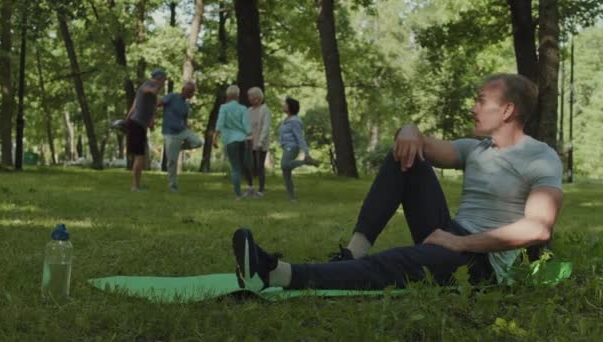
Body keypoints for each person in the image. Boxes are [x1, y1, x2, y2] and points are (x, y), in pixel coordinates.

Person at [231, 73, 564, 292]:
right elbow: (414, 143)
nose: (473, 107)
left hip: (483, 262)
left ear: (507, 110)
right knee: (404, 155)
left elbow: (538, 229)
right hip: (451, 233)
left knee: (399, 263)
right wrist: (408, 129)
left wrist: (460, 243)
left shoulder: (540, 157)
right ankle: (353, 253)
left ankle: (280, 274)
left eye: (480, 100)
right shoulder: (475, 149)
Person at [125, 68, 167, 191]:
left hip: (139, 124)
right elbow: (148, 91)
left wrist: (151, 121)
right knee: (139, 156)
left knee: (140, 155)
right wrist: (155, 87)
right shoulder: (149, 84)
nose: (164, 82)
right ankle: (135, 186)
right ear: (159, 78)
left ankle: (136, 184)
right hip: (137, 123)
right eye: (163, 80)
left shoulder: (153, 94)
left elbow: (139, 105)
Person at [161, 81, 203, 192]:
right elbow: (158, 103)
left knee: (198, 142)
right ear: (184, 90)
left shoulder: (186, 105)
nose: (191, 94)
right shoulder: (172, 97)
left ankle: (178, 148)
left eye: (192, 92)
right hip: (170, 132)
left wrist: (186, 128)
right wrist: (151, 118)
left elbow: (185, 119)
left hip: (182, 130)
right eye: (190, 92)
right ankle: (173, 186)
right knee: (172, 161)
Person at [213, 85, 253, 200]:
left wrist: (215, 138)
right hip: (242, 140)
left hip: (230, 140)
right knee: (242, 165)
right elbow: (246, 125)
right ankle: (249, 187)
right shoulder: (243, 108)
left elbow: (219, 124)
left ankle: (238, 195)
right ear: (238, 95)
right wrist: (250, 136)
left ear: (227, 95)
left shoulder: (223, 107)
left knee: (235, 168)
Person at [278, 97, 319, 201]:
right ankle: (292, 198)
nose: (283, 106)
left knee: (284, 165)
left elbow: (300, 138)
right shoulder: (286, 120)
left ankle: (306, 162)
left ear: (290, 107)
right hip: (286, 147)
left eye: (285, 104)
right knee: (286, 172)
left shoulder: (295, 121)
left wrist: (306, 152)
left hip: (292, 147)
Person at [247, 87, 272, 197]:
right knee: (249, 165)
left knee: (259, 166)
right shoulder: (249, 111)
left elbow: (265, 128)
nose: (248, 98)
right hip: (250, 142)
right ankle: (251, 187)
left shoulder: (265, 110)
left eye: (250, 96)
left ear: (257, 98)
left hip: (260, 143)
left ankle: (261, 190)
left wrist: (260, 142)